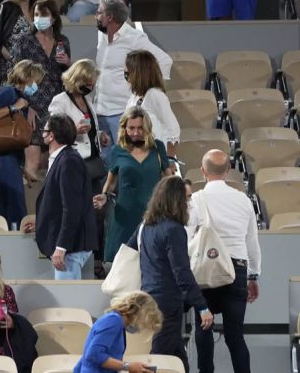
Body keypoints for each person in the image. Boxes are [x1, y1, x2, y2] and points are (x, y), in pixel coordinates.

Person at [188, 149, 261, 373]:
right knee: (235, 335)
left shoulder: (195, 200)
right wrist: (253, 275)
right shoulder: (243, 200)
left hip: (205, 270)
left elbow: (188, 237)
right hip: (237, 270)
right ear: (229, 170)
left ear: (202, 171)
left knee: (203, 327)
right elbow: (252, 242)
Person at [130, 176, 214, 372]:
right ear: (175, 200)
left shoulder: (146, 225)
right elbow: (182, 273)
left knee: (177, 357)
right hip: (168, 304)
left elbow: (130, 248)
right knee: (160, 360)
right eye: (187, 198)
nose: (190, 204)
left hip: (149, 298)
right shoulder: (174, 230)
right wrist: (202, 307)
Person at [49, 59, 109, 277]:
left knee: (98, 212)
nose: (91, 85)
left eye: (93, 82)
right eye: (87, 81)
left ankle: (96, 259)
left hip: (93, 162)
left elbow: (92, 128)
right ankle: (71, 253)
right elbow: (54, 132)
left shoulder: (87, 99)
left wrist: (99, 135)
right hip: (74, 162)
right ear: (77, 79)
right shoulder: (60, 101)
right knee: (77, 210)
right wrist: (75, 129)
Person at [94, 0, 172, 155]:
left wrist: (149, 93)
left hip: (121, 113)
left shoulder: (135, 38)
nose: (96, 15)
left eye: (99, 12)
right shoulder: (102, 35)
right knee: (106, 166)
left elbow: (165, 61)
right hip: (100, 110)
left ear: (110, 17)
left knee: (124, 162)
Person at [23, 114, 97, 279]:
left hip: (71, 248)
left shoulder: (68, 161)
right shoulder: (62, 159)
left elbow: (72, 208)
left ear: (51, 136)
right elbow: (59, 203)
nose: (42, 134)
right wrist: (42, 221)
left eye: (45, 131)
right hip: (71, 246)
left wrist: (62, 247)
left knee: (68, 302)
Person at [94, 106, 171, 263]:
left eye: (140, 128)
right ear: (124, 128)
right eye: (131, 128)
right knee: (119, 265)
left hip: (152, 215)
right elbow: (111, 182)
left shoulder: (158, 147)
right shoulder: (117, 150)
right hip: (124, 215)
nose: (136, 133)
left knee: (153, 262)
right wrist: (104, 196)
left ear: (147, 128)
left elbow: (168, 178)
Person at [0, 59, 44, 230]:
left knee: (10, 207)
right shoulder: (9, 92)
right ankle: (15, 239)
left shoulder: (21, 98)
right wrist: (14, 108)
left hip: (12, 160)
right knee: (15, 206)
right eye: (35, 81)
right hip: (3, 160)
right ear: (26, 77)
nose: (36, 85)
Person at [13, 0, 70, 175]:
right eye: (36, 14)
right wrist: (26, 106)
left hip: (57, 106)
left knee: (52, 161)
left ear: (53, 18)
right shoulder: (24, 41)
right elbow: (15, 77)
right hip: (34, 107)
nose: (38, 18)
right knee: (33, 160)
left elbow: (67, 78)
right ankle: (29, 201)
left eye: (43, 14)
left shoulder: (63, 41)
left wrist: (68, 63)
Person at [74, 291, 162, 373]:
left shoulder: (116, 322)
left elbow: (87, 356)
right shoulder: (114, 321)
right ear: (139, 312)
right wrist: (128, 366)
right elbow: (94, 354)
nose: (140, 329)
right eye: (144, 323)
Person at [124, 50, 180, 160]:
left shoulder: (155, 95)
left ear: (138, 72)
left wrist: (170, 159)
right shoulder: (134, 96)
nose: (125, 71)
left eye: (128, 68)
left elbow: (173, 130)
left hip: (155, 157)